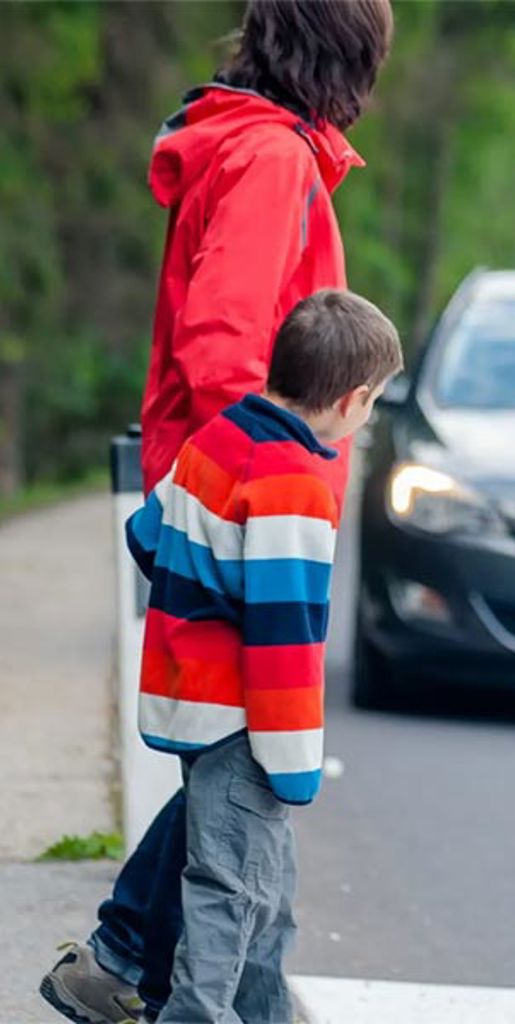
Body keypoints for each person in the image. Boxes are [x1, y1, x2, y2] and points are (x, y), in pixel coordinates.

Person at [39, 2, 393, 1022]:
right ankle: (147, 972)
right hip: (248, 502)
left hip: (220, 486)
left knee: (226, 764)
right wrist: (278, 482)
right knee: (242, 765)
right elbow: (222, 346)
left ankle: (121, 962)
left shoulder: (255, 148)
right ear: (347, 54)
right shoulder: (271, 160)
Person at [133, 289, 401, 1023]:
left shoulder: (218, 438)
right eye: (373, 404)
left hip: (188, 695)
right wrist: (293, 762)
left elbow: (146, 533)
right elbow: (283, 638)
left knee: (266, 889)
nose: (368, 418)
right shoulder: (294, 485)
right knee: (228, 890)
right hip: (245, 724)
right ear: (351, 400)